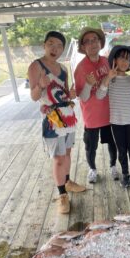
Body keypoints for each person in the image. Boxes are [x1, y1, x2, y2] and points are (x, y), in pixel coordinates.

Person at [28, 31, 86, 215]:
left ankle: (67, 182)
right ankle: (61, 195)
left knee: (67, 152)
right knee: (59, 158)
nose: (55, 49)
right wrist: (41, 85)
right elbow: (34, 96)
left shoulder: (63, 68)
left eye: (59, 45)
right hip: (52, 118)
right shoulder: (36, 66)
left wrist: (71, 94)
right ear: (44, 45)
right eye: (51, 44)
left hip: (67, 115)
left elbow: (65, 94)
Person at [74, 27, 118, 184]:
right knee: (90, 147)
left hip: (110, 114)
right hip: (91, 116)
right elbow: (83, 97)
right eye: (88, 41)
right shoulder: (80, 68)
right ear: (83, 46)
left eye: (95, 40)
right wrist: (87, 84)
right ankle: (92, 169)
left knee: (113, 143)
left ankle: (113, 166)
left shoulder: (107, 61)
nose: (92, 43)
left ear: (100, 43)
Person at [97, 45, 130, 188]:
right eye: (121, 58)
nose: (124, 62)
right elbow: (99, 95)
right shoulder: (110, 79)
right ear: (115, 60)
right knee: (121, 151)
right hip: (116, 122)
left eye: (128, 59)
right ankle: (125, 174)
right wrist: (107, 79)